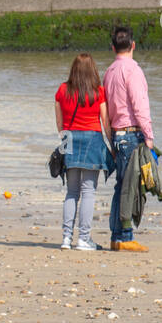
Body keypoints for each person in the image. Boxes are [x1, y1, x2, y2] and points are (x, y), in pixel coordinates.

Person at [102, 25, 155, 252]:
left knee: (121, 186)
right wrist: (149, 138)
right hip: (132, 133)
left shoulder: (109, 72)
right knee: (129, 188)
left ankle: (117, 236)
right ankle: (124, 237)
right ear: (133, 45)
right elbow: (140, 106)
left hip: (117, 134)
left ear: (113, 47)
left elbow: (105, 110)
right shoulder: (133, 70)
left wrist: (110, 136)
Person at [54, 54, 113, 251]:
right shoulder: (99, 91)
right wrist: (112, 146)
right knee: (88, 191)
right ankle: (84, 238)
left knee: (71, 191)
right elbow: (105, 122)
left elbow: (60, 124)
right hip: (92, 139)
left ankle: (66, 238)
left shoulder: (62, 90)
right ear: (93, 70)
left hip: (69, 138)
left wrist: (65, 141)